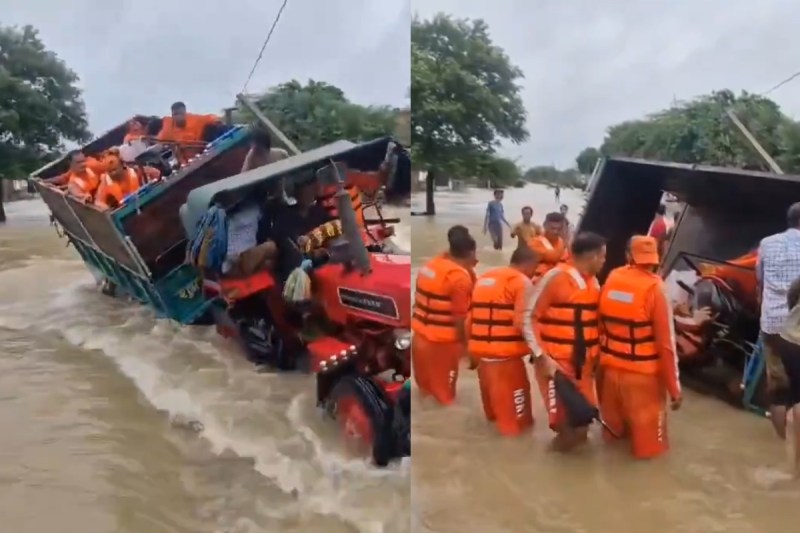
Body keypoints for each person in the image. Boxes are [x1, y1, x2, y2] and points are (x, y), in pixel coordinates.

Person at [596, 236, 682, 459]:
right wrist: (675, 390)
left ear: (628, 256)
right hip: (643, 380)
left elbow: (599, 325)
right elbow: (666, 345)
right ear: (656, 258)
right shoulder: (655, 288)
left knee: (611, 446)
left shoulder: (612, 278)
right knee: (651, 454)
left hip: (610, 374)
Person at [524, 231, 606, 451]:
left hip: (585, 367)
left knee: (583, 424)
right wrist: (542, 356)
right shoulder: (555, 277)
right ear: (592, 257)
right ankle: (551, 469)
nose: (605, 261)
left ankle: (570, 475)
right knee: (566, 426)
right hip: (557, 366)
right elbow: (527, 316)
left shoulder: (594, 284)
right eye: (603, 257)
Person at [469, 246, 551, 436]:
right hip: (506, 365)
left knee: (495, 419)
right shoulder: (521, 282)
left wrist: (471, 352)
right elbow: (523, 322)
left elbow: (470, 318)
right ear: (529, 264)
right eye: (536, 267)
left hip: (483, 361)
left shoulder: (485, 278)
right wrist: (539, 354)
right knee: (518, 428)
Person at [411, 229, 477, 405]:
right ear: (470, 253)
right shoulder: (459, 279)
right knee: (445, 399)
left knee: (425, 393)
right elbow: (459, 319)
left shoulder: (430, 266)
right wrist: (466, 348)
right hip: (442, 345)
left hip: (419, 339)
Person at [758, 202, 800, 437]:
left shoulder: (766, 243)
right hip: (797, 329)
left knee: (778, 386)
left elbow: (760, 281)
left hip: (772, 323)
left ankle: (784, 440)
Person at [773, 276, 800, 473]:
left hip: (788, 337)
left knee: (793, 403)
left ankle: (791, 467)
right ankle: (795, 470)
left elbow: (793, 292)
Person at [157, 101, 221, 163]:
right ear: (172, 115)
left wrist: (216, 120)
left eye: (181, 114)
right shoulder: (168, 128)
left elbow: (211, 118)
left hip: (202, 152)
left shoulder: (195, 120)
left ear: (185, 113)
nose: (178, 117)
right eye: (175, 114)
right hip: (185, 162)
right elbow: (158, 140)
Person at [529, 212, 568, 282]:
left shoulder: (561, 242)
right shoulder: (535, 243)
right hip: (539, 281)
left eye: (559, 229)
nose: (555, 232)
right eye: (552, 228)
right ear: (545, 225)